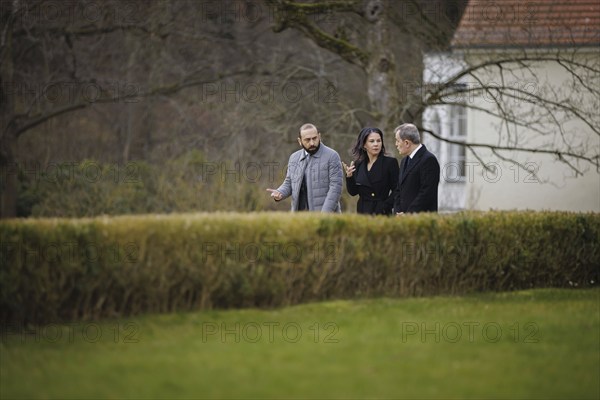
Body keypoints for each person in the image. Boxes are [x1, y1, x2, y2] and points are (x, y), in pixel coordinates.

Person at [267, 123, 343, 212]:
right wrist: (280, 193)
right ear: (300, 141)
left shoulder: (332, 156)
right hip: (300, 218)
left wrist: (324, 216)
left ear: (319, 136)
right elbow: (289, 183)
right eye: (307, 140)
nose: (312, 143)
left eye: (314, 138)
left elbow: (335, 188)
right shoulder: (294, 158)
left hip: (326, 217)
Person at [342, 127, 399, 215]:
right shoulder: (358, 164)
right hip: (363, 212)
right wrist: (349, 177)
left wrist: (385, 206)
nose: (376, 144)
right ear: (364, 145)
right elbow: (353, 192)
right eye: (372, 141)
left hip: (381, 213)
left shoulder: (390, 163)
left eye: (379, 141)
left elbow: (397, 189)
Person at [393, 123, 440, 214]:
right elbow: (398, 190)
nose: (396, 144)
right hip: (403, 219)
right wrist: (398, 212)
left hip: (420, 220)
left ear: (407, 143)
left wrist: (408, 214)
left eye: (397, 141)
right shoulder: (404, 161)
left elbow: (427, 193)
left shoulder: (428, 160)